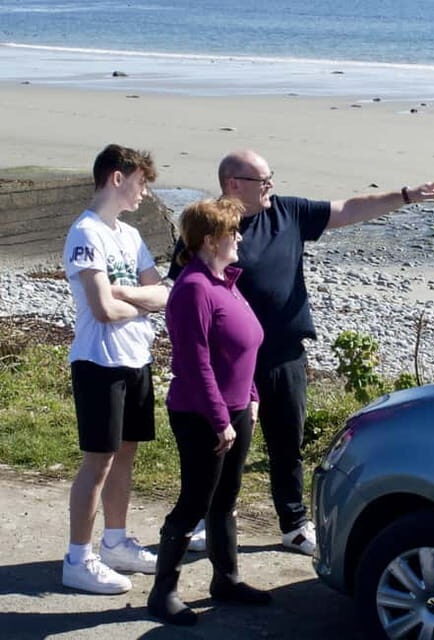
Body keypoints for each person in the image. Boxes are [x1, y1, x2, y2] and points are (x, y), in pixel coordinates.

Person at [169, 149, 434, 555]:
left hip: (284, 353)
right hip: (227, 362)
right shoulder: (210, 228)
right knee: (219, 446)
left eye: (270, 178)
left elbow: (349, 208)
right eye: (262, 180)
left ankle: (294, 523)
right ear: (233, 184)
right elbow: (179, 289)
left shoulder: (289, 212)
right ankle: (204, 518)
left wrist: (405, 195)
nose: (271, 186)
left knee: (288, 442)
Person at [148, 198, 271, 626]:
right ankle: (162, 592)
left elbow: (245, 347)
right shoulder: (193, 288)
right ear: (208, 240)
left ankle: (226, 579)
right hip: (201, 413)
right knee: (194, 502)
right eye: (231, 232)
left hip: (236, 409)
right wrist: (220, 419)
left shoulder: (225, 280)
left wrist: (251, 397)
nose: (238, 237)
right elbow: (193, 362)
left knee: (226, 498)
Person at [61, 144, 168, 594]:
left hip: (136, 359)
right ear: (117, 178)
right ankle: (77, 558)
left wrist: (125, 294)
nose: (145, 192)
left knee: (126, 453)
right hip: (99, 362)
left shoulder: (129, 234)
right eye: (142, 182)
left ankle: (115, 541)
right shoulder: (86, 233)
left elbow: (163, 295)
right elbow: (102, 309)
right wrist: (131, 298)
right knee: (98, 462)